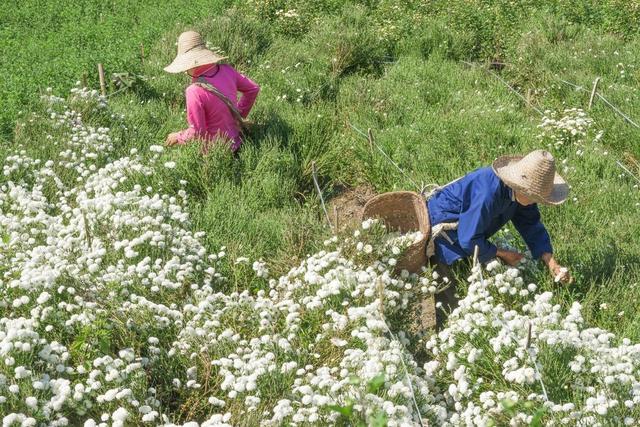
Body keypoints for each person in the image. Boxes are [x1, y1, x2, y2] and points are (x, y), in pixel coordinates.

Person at [426, 149, 572, 326]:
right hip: (444, 233)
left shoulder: (521, 194)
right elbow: (468, 238)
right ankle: (445, 334)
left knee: (471, 285)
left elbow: (530, 224)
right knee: (451, 297)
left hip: (469, 230)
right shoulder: (488, 193)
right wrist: (502, 253)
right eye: (534, 197)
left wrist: (550, 260)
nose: (535, 202)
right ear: (520, 187)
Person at [163, 31, 260, 154]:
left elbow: (197, 133)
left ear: (190, 64)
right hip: (238, 142)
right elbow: (253, 89)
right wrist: (238, 115)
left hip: (215, 153)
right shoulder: (227, 70)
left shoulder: (194, 91)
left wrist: (178, 136)